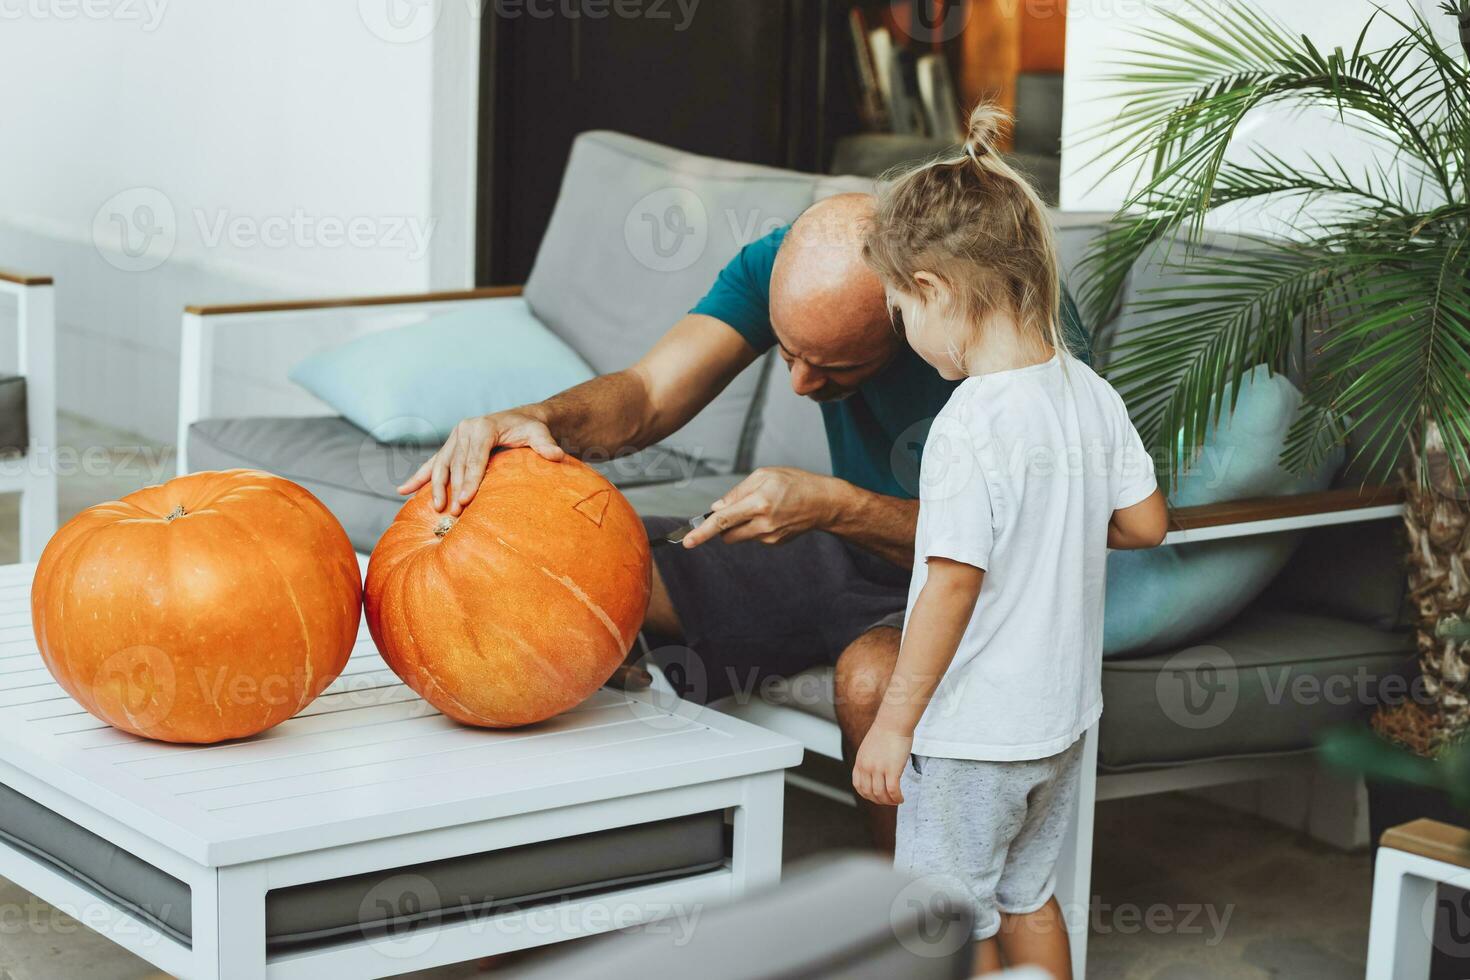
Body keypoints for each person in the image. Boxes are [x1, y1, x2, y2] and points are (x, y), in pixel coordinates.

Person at [399, 190, 1092, 850]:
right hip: (838, 547)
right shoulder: (787, 261)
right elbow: (646, 396)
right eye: (788, 354)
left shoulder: (1015, 334)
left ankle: (918, 927)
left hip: (963, 587)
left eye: (833, 366)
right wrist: (539, 419)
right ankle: (555, 868)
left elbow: (1025, 542)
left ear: (913, 301)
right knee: (562, 564)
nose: (800, 385)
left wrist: (836, 503)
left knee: (872, 682)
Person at [850, 105, 1168, 978]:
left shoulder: (967, 427)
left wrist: (892, 725)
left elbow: (950, 588)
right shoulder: (1087, 392)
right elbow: (1147, 523)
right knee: (1029, 897)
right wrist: (1061, 520)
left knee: (946, 921)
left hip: (971, 738)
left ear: (937, 289)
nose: (905, 336)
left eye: (898, 311)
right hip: (1062, 725)